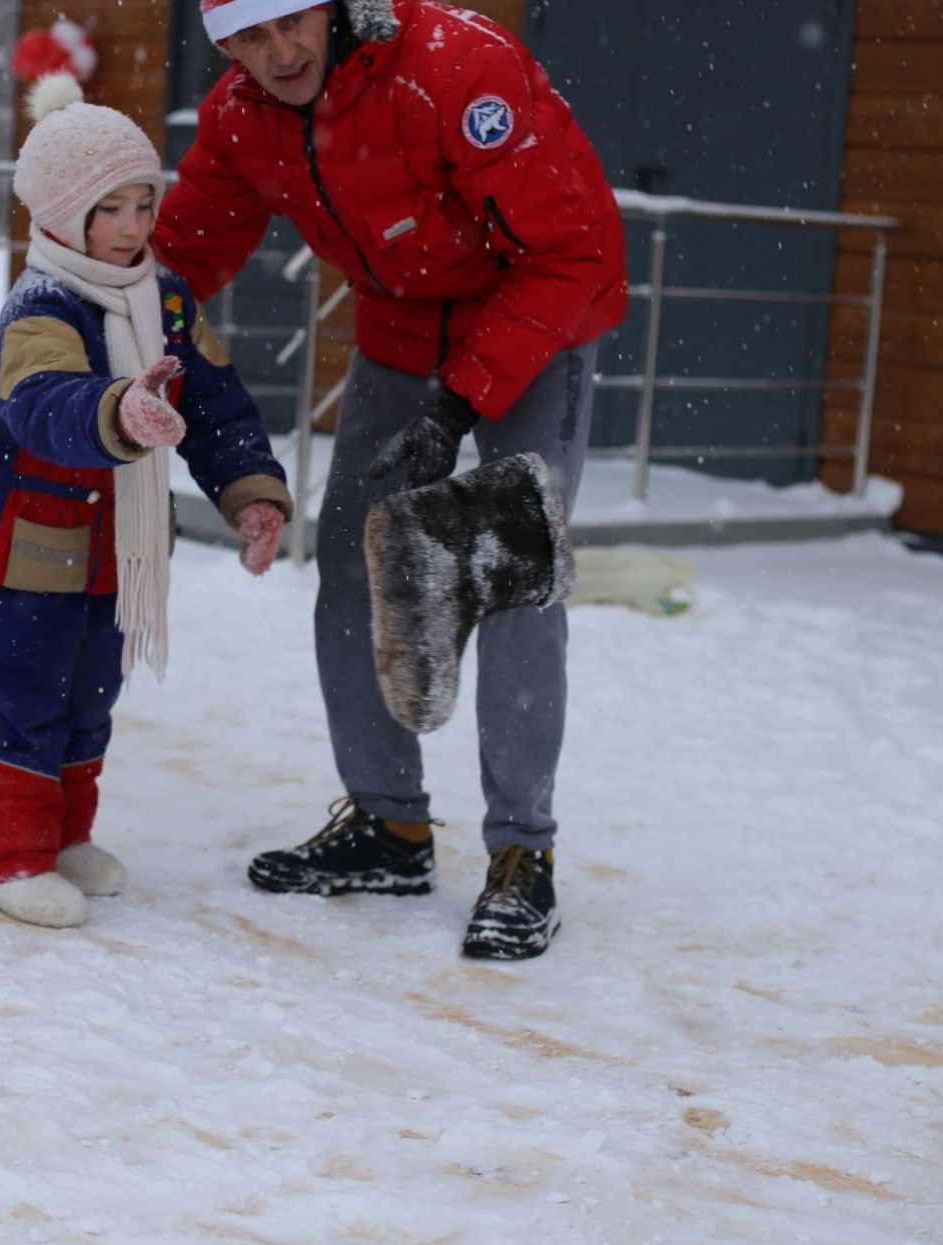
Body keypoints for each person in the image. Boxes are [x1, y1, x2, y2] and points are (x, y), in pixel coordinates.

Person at [159, 0, 628, 960]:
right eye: (250, 38)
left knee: (511, 573)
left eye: (294, 23)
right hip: (402, 333)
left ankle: (521, 857)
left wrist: (456, 409)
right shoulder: (243, 117)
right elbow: (182, 255)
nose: (280, 54)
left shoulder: (455, 69)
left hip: (542, 325)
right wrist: (65, 320)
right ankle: (389, 824)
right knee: (353, 560)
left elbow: (568, 253)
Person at [0, 73, 294, 929]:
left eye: (145, 204)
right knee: (20, 696)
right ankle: (9, 858)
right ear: (66, 215)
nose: (134, 228)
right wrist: (119, 410)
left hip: (122, 551)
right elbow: (40, 403)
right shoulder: (41, 306)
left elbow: (216, 402)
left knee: (88, 697)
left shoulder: (166, 299)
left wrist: (252, 493)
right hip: (34, 544)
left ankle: (66, 837)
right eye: (111, 209)